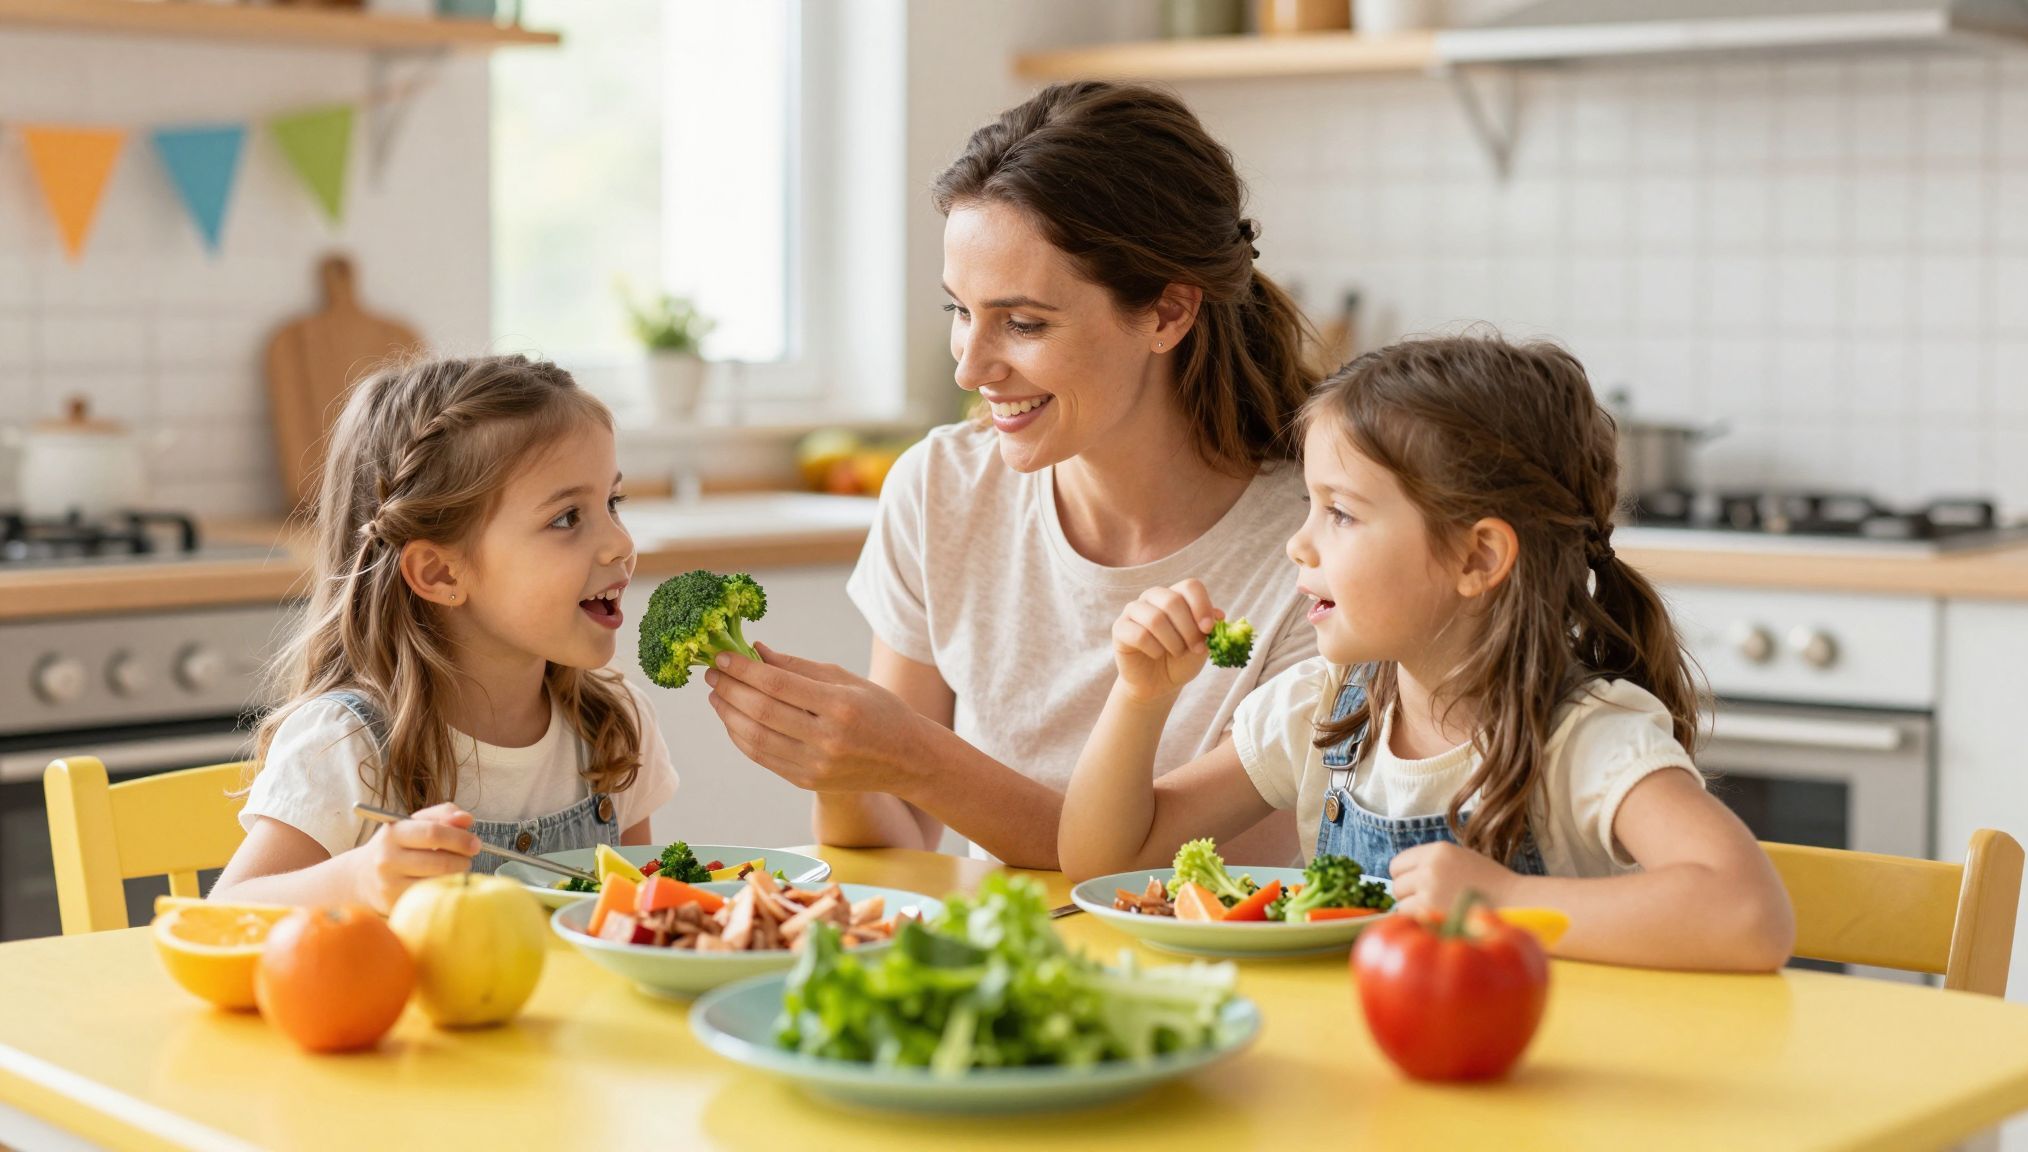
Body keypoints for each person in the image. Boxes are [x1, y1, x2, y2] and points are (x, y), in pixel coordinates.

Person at [702, 81, 1323, 868]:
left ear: (1168, 313)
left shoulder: (1320, 544)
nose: (970, 367)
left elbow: (1135, 862)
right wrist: (840, 758)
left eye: (1023, 323)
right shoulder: (941, 491)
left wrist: (909, 754)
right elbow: (895, 844)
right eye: (959, 311)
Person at [1059, 335, 1794, 971]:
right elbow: (1104, 861)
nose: (1299, 542)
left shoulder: (1582, 737)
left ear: (1477, 558)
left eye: (1341, 513)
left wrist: (1506, 900)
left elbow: (1750, 915)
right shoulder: (1325, 710)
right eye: (1310, 505)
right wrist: (1141, 697)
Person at [211, 355, 677, 911]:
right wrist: (355, 881)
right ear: (441, 572)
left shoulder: (613, 728)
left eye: (612, 503)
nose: (621, 544)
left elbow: (637, 923)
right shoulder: (345, 746)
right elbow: (225, 911)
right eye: (566, 518)